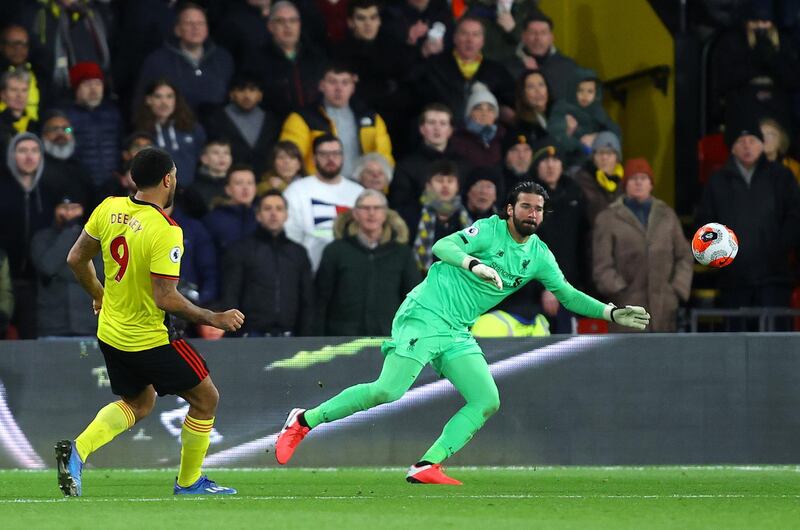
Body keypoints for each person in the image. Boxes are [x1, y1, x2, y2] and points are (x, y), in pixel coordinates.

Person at [273, 180, 650, 484]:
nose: (533, 214)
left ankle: (427, 465)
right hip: (425, 313)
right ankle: (304, 421)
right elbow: (442, 246)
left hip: (455, 329)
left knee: (486, 399)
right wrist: (473, 264)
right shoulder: (487, 230)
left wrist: (611, 311)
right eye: (525, 207)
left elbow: (566, 295)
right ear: (509, 210)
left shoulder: (539, 255)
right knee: (389, 390)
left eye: (538, 209)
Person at [57, 147, 244, 497]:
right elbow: (165, 297)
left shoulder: (109, 207)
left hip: (111, 333)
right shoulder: (166, 230)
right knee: (206, 398)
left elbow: (75, 259)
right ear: (168, 179)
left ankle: (77, 453)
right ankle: (189, 483)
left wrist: (99, 294)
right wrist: (212, 316)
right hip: (149, 338)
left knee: (139, 403)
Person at [696, 128, 800, 326]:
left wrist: (778, 247)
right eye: (740, 142)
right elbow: (705, 225)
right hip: (733, 283)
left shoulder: (782, 177)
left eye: (752, 141)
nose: (746, 146)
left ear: (762, 145)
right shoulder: (717, 181)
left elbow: (795, 217)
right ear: (732, 148)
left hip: (775, 282)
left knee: (776, 351)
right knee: (736, 350)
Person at [593, 158, 693, 332]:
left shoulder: (667, 215)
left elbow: (684, 256)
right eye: (633, 178)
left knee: (663, 357)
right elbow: (602, 266)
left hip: (664, 310)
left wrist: (676, 290)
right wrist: (620, 290)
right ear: (625, 184)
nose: (639, 182)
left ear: (651, 184)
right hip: (626, 310)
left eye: (643, 178)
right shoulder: (608, 218)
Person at [315, 189, 419, 335]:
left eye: (377, 208)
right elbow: (320, 301)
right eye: (365, 208)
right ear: (355, 214)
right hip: (341, 340)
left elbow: (413, 300)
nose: (371, 213)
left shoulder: (402, 253)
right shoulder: (335, 251)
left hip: (388, 339)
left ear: (385, 214)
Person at [221, 190, 313, 337]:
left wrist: (306, 335)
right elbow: (231, 294)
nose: (273, 214)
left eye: (279, 209)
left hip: (291, 336)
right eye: (267, 208)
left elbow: (307, 299)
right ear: (258, 215)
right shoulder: (241, 249)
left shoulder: (298, 252)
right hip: (251, 335)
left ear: (286, 215)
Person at [279, 62, 394, 178]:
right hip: (318, 187)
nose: (339, 88)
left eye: (345, 82)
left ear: (353, 87)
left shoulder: (371, 118)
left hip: (361, 188)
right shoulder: (302, 118)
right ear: (321, 85)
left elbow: (384, 159)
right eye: (332, 82)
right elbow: (289, 158)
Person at [283, 134, 364, 270]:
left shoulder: (359, 192)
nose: (331, 159)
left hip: (352, 269)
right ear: (314, 158)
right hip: (309, 270)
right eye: (324, 154)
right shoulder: (296, 190)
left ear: (343, 157)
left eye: (336, 154)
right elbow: (290, 236)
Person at [134, 2, 234, 113]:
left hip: (216, 126)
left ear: (207, 28)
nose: (195, 28)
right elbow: (141, 103)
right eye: (189, 23)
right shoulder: (157, 62)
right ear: (177, 29)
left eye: (200, 23)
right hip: (175, 127)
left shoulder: (223, 59)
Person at [31, 191, 101, 337]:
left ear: (83, 209)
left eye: (74, 208)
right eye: (64, 207)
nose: (69, 213)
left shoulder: (95, 240)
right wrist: (70, 231)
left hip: (88, 325)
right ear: (55, 210)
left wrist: (59, 271)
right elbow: (47, 267)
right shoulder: (41, 238)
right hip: (52, 326)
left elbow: (101, 273)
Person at [132, 79, 206, 186]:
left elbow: (202, 158)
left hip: (190, 193)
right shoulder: (141, 132)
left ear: (176, 100)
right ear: (148, 100)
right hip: (156, 195)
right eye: (158, 97)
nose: (164, 102)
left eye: (169, 96)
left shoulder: (192, 128)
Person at [62, 61, 122, 189]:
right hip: (80, 186)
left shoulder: (113, 113)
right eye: (87, 84)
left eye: (98, 83)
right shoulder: (65, 116)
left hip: (112, 185)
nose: (94, 89)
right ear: (76, 88)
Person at [503, 11, 580, 102]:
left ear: (551, 38)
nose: (538, 38)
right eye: (532, 33)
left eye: (543, 33)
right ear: (523, 37)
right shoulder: (507, 67)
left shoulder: (568, 66)